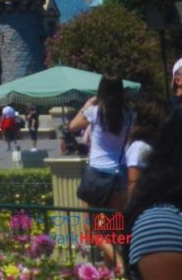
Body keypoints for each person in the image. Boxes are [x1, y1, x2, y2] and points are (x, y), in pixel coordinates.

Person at [69, 76, 133, 272]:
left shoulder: (95, 112)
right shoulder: (129, 115)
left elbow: (72, 126)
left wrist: (87, 105)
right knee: (112, 231)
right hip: (119, 176)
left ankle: (119, 263)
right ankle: (111, 273)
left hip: (96, 174)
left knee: (92, 229)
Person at [124, 108, 182, 278]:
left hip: (104, 189)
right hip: (104, 192)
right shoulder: (162, 223)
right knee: (95, 231)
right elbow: (132, 181)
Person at [125, 97, 163, 198]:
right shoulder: (159, 144)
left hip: (143, 207)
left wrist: (129, 211)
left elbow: (133, 184)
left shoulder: (139, 147)